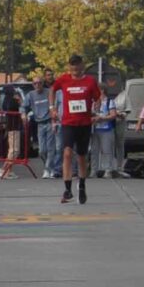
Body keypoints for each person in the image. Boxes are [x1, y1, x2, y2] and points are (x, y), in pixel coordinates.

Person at [51, 54, 98, 203]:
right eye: (72, 65)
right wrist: (52, 108)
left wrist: (96, 107)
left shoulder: (90, 81)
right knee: (67, 153)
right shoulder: (64, 79)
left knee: (82, 156)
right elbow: (52, 89)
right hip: (68, 123)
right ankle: (67, 190)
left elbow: (97, 97)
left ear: (82, 65)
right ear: (69, 67)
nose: (75, 68)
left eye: (77, 65)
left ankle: (82, 186)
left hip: (84, 123)